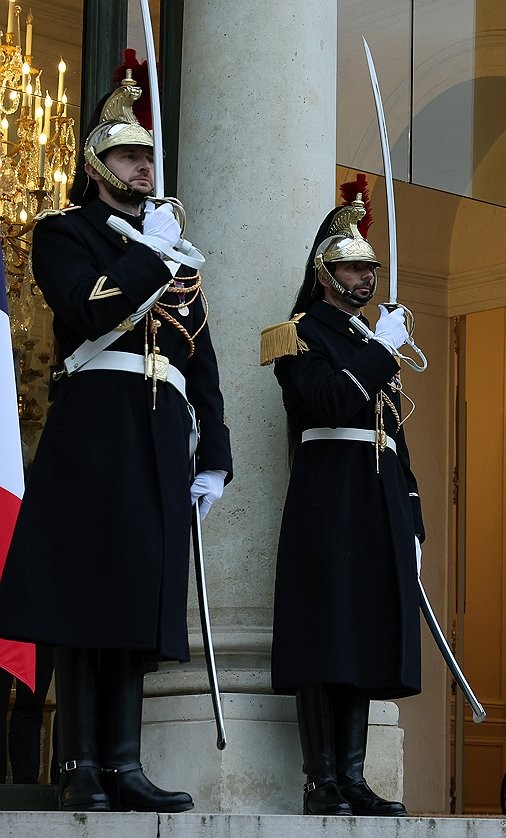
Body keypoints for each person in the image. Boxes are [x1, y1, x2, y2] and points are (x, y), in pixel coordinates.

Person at [0, 75, 231, 812]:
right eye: (128, 156)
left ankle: (125, 763)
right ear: (97, 166)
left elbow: (203, 359)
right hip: (94, 420)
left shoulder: (176, 250)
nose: (143, 168)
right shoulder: (64, 233)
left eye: (147, 157)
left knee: (136, 592)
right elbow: (86, 307)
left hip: (161, 430)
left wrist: (216, 452)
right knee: (82, 592)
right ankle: (80, 763)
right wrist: (151, 258)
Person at [264, 191, 423, 817]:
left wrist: (412, 513)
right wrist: (381, 350)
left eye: (370, 268)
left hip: (377, 493)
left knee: (363, 631)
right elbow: (330, 402)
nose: (366, 277)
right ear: (325, 272)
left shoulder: (370, 338)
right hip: (328, 493)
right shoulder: (297, 334)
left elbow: (395, 434)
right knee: (323, 631)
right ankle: (321, 778)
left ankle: (354, 776)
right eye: (354, 267)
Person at [0, 645, 53, 783]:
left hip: (39, 633)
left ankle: (26, 782)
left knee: (30, 709)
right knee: (29, 711)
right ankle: (26, 782)